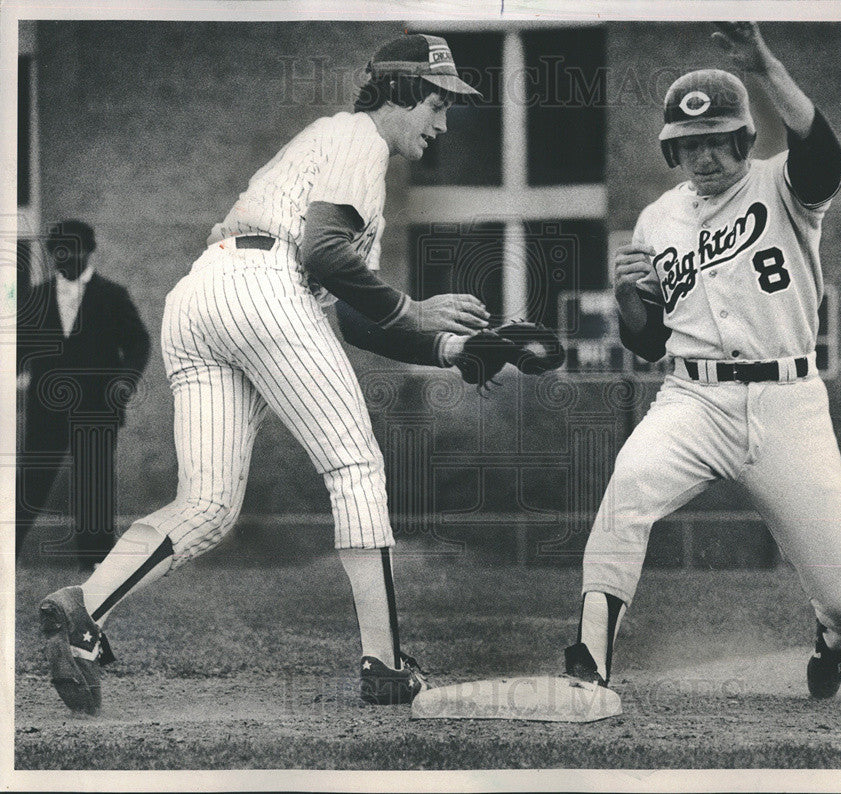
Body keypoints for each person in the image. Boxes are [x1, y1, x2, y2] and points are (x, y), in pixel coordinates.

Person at [38, 33, 495, 715]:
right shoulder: (359, 138)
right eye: (435, 100)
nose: (443, 120)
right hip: (264, 285)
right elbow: (326, 254)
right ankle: (384, 663)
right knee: (356, 467)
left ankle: (86, 609)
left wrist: (447, 350)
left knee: (208, 506)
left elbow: (342, 311)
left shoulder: (330, 147)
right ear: (397, 92)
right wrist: (416, 308)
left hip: (203, 296)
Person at [562, 22, 841, 700]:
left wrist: (766, 67)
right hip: (693, 399)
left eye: (717, 140)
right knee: (630, 489)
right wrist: (627, 301)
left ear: (743, 138)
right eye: (689, 143)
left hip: (787, 400)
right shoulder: (656, 220)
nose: (704, 155)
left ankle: (834, 640)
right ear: (674, 149)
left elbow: (825, 155)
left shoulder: (784, 187)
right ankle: (588, 661)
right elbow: (647, 343)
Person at [16, 220, 150, 569]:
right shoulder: (36, 296)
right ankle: (5, 554)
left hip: (97, 408)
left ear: (89, 251)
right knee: (29, 483)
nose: (66, 257)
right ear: (51, 254)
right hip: (46, 409)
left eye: (74, 249)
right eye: (59, 250)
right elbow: (17, 350)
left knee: (94, 487)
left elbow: (138, 343)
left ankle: (96, 565)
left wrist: (124, 382)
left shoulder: (112, 295)